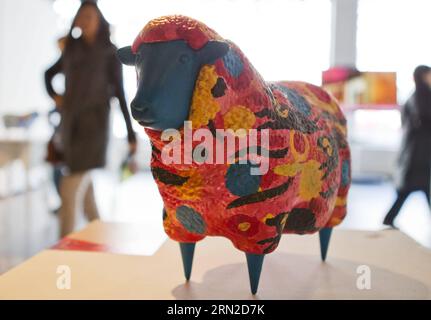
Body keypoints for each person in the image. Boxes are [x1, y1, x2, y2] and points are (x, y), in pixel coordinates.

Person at [44, 1, 136, 237]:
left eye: (90, 17)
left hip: (95, 126)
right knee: (85, 192)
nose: (85, 22)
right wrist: (56, 97)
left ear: (99, 20)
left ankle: (62, 246)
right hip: (71, 126)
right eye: (82, 17)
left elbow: (120, 93)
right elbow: (48, 74)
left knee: (70, 187)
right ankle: (99, 237)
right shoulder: (71, 49)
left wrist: (131, 133)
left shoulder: (109, 52)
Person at [383, 65, 431, 227]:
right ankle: (389, 218)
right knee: (415, 187)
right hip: (419, 152)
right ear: (423, 76)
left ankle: (389, 218)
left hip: (416, 151)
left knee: (416, 188)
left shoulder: (414, 95)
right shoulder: (423, 95)